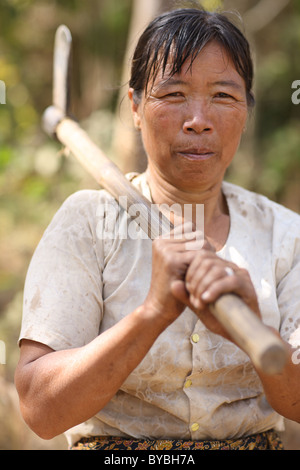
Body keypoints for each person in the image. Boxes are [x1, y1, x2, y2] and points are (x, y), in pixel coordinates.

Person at [15, 7, 300, 451]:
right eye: (173, 95)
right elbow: (39, 410)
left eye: (223, 96)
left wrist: (255, 333)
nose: (198, 119)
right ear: (134, 106)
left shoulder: (285, 234)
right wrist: (152, 314)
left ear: (246, 110)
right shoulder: (88, 224)